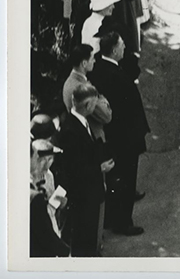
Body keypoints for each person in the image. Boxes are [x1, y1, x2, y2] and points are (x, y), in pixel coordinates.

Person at [90, 30, 149, 236]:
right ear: (114, 50)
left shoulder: (101, 68)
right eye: (122, 44)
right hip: (125, 138)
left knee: (115, 180)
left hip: (114, 137)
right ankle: (123, 222)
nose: (125, 46)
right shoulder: (115, 76)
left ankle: (111, 218)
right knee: (125, 179)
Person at [55, 83, 114, 257]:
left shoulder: (78, 121)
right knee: (84, 237)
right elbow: (75, 169)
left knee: (88, 234)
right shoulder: (71, 131)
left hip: (88, 193)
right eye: (94, 104)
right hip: (83, 197)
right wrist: (99, 168)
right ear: (87, 106)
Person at [61, 43, 112, 143]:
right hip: (93, 139)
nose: (94, 61)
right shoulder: (81, 87)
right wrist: (101, 98)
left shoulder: (69, 82)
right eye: (92, 58)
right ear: (84, 63)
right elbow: (107, 116)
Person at [30, 138, 71, 257]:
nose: (47, 163)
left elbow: (52, 201)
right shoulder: (28, 178)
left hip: (50, 221)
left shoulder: (49, 175)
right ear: (35, 159)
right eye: (43, 160)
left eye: (51, 159)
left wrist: (59, 203)